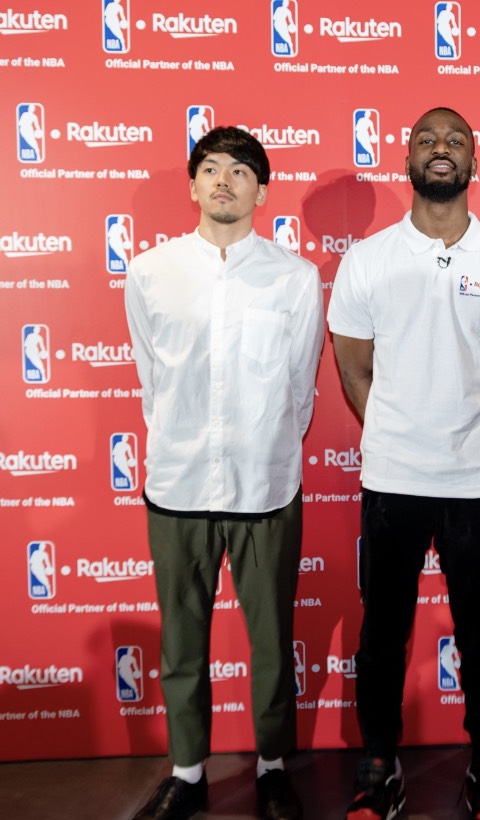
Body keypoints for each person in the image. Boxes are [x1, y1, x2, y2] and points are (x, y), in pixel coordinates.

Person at [328, 107, 480, 820]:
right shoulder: (367, 260)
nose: (441, 148)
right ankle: (378, 765)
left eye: (456, 139)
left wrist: (465, 436)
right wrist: (404, 432)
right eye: (427, 139)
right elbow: (354, 372)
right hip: (393, 479)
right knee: (382, 632)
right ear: (409, 161)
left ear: (474, 165)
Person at [124, 126, 324, 820]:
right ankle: (187, 772)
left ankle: (272, 767)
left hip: (266, 483)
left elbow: (301, 388)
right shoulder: (151, 272)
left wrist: (267, 447)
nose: (223, 182)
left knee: (271, 639)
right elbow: (153, 379)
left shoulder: (294, 278)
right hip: (178, 483)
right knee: (182, 641)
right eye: (210, 169)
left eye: (240, 172)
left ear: (260, 191)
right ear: (192, 184)